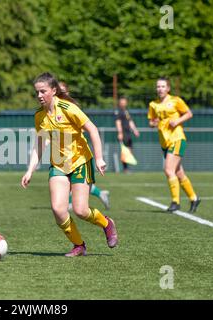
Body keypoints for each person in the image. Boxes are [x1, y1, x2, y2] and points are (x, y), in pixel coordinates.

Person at [21, 73, 118, 257]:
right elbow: (40, 144)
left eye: (43, 91)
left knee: (81, 210)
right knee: (58, 209)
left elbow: (92, 129)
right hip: (58, 165)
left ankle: (107, 223)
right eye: (37, 92)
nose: (39, 95)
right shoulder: (39, 116)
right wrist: (29, 170)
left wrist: (99, 158)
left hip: (81, 162)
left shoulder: (68, 108)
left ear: (54, 91)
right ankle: (79, 245)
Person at [148, 77, 201, 213]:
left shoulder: (176, 101)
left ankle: (175, 202)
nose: (160, 89)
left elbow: (189, 114)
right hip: (164, 142)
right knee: (178, 173)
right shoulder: (153, 104)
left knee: (168, 170)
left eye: (163, 86)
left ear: (168, 88)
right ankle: (194, 198)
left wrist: (177, 121)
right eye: (158, 86)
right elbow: (152, 121)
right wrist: (154, 123)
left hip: (177, 139)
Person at [59, 82, 110, 210]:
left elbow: (89, 128)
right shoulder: (51, 109)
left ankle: (73, 203)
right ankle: (99, 194)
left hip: (77, 153)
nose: (60, 94)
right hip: (63, 153)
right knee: (67, 182)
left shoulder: (72, 108)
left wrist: (99, 158)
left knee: (73, 185)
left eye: (63, 91)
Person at [115, 97, 140, 173]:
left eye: (124, 102)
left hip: (128, 133)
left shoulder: (126, 111)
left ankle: (127, 167)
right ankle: (125, 169)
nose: (123, 103)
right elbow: (118, 122)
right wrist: (120, 133)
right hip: (124, 134)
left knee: (129, 150)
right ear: (119, 103)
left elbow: (130, 121)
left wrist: (135, 130)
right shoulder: (118, 112)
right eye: (121, 102)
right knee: (125, 151)